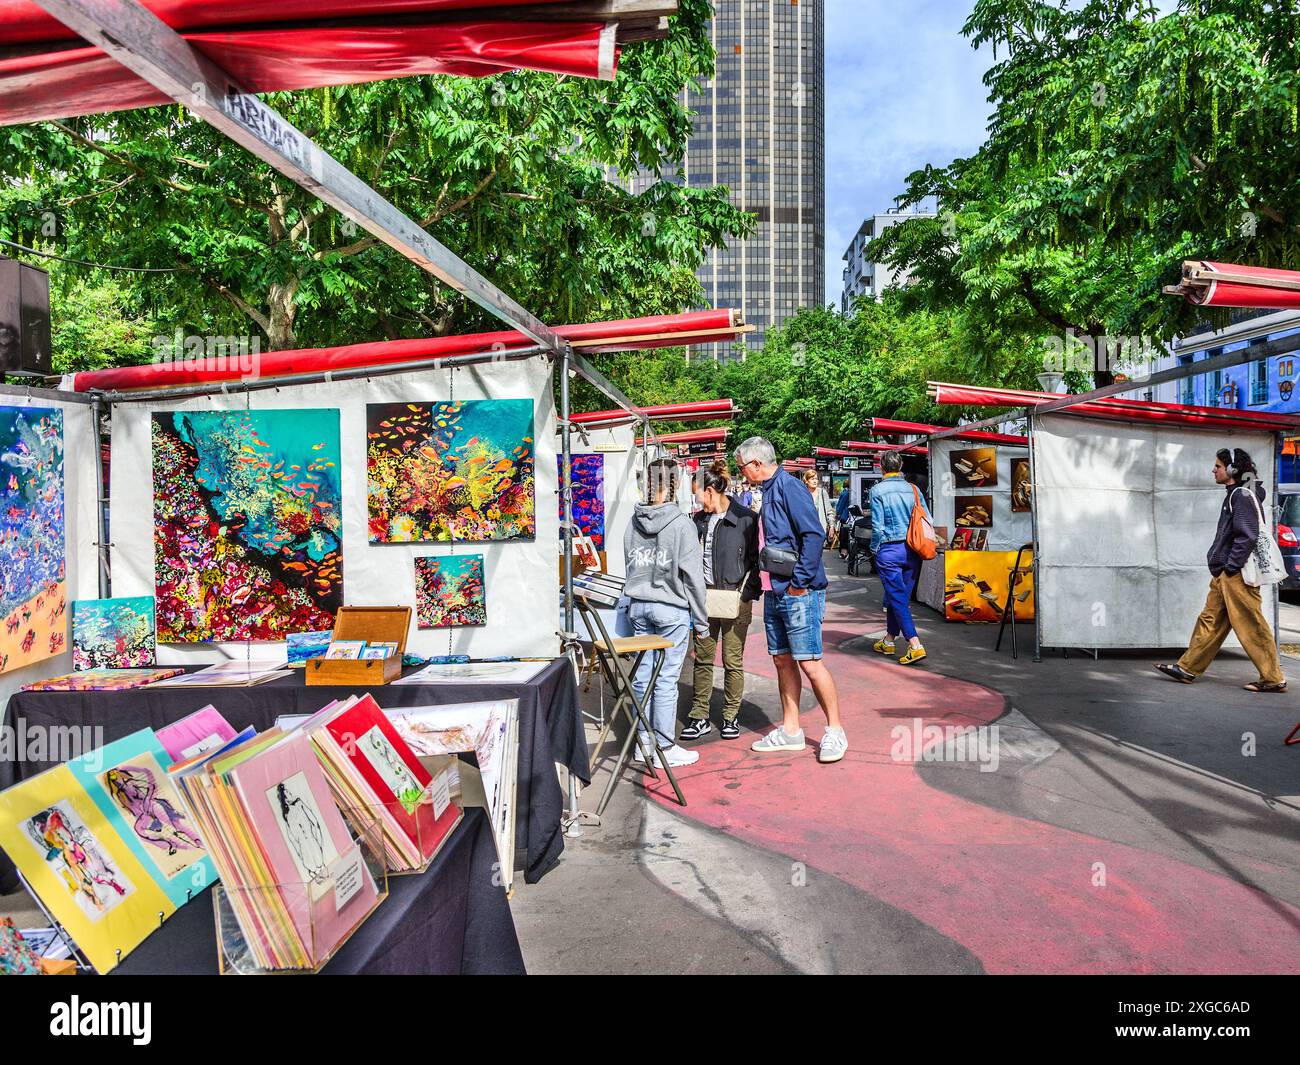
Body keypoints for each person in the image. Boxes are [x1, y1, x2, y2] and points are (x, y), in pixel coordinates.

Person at [735, 437, 847, 763]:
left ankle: (835, 731)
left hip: (799, 591)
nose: (742, 474)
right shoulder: (770, 490)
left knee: (810, 662)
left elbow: (813, 534)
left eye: (743, 467)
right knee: (782, 660)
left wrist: (799, 583)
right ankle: (791, 730)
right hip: (776, 590)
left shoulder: (789, 487)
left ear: (757, 463)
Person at [1156, 448, 1287, 693]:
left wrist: (1231, 566)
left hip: (1236, 575)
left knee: (1251, 624)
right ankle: (1187, 667)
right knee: (1210, 620)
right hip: (1225, 574)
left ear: (1232, 470)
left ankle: (1273, 678)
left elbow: (1246, 536)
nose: (1213, 470)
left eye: (1217, 466)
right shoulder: (1235, 494)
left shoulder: (1241, 495)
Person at [623, 458, 713, 767]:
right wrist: (702, 624)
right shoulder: (682, 524)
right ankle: (663, 745)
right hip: (670, 608)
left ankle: (642, 742)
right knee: (665, 679)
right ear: (676, 485)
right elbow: (694, 579)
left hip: (638, 606)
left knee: (642, 675)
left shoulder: (632, 521)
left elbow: (630, 564)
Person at [682, 462, 761, 741]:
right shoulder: (697, 521)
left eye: (697, 494)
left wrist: (746, 594)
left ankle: (730, 716)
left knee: (732, 660)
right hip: (704, 600)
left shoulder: (746, 519)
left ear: (711, 490)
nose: (695, 500)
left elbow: (755, 561)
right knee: (702, 659)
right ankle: (699, 715)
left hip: (735, 600)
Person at [869, 451, 932, 665]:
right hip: (913, 549)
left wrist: (874, 548)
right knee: (900, 598)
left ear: (881, 467)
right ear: (901, 465)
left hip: (888, 549)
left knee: (896, 598)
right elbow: (927, 518)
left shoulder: (877, 490)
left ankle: (915, 644)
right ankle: (888, 640)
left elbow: (877, 526)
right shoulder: (913, 489)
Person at [802, 469, 834, 540]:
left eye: (816, 479)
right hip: (805, 529)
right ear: (806, 481)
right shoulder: (802, 493)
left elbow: (829, 511)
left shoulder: (822, 493)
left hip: (820, 529)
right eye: (812, 479)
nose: (815, 481)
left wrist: (831, 526)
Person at [835, 483, 852, 559]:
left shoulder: (844, 493)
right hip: (846, 516)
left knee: (843, 534)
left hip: (844, 517)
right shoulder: (847, 493)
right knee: (845, 534)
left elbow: (840, 505)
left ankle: (843, 551)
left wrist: (838, 513)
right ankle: (844, 551)